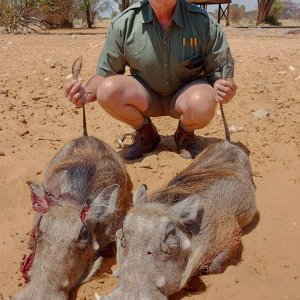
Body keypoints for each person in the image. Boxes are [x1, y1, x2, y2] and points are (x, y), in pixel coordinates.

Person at [66, 0, 237, 160]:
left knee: (204, 101)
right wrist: (86, 93)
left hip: (185, 95)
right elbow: (105, 74)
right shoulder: (124, 23)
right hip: (145, 96)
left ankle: (185, 135)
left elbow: (220, 74)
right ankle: (147, 134)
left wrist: (224, 88)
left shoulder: (204, 23)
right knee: (106, 89)